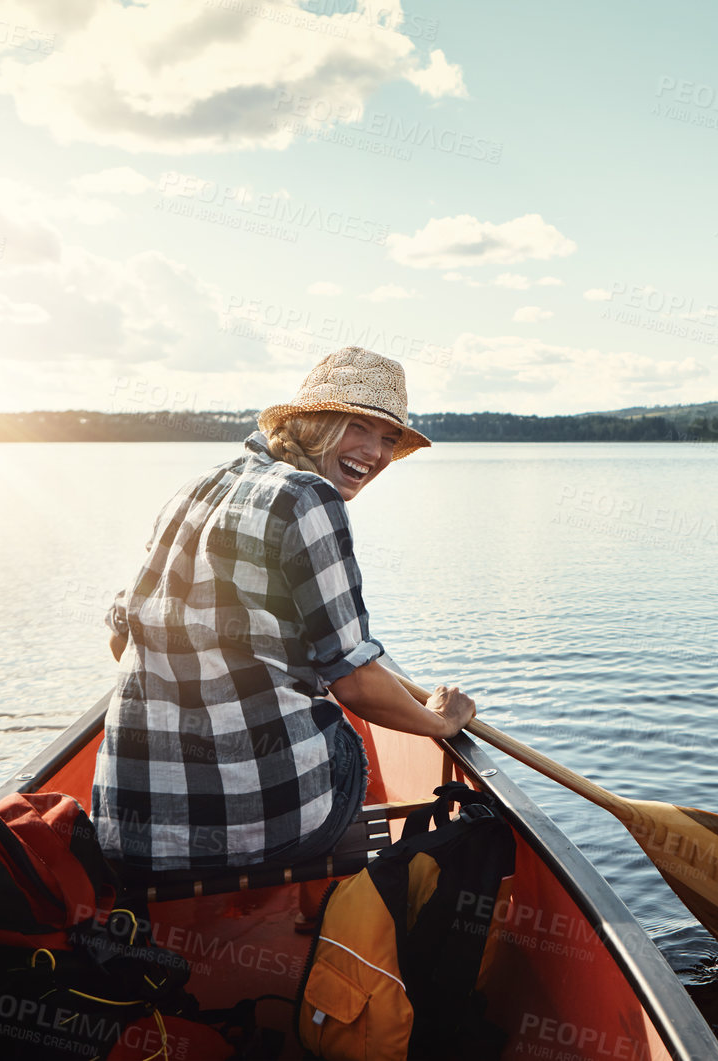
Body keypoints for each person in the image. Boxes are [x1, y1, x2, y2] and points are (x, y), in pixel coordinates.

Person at [92, 346, 475, 873]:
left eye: (388, 439)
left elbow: (121, 637)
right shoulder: (308, 496)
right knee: (343, 740)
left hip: (128, 825)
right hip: (266, 825)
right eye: (357, 427)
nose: (375, 452)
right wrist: (440, 724)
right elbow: (357, 684)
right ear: (313, 423)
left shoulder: (197, 486)